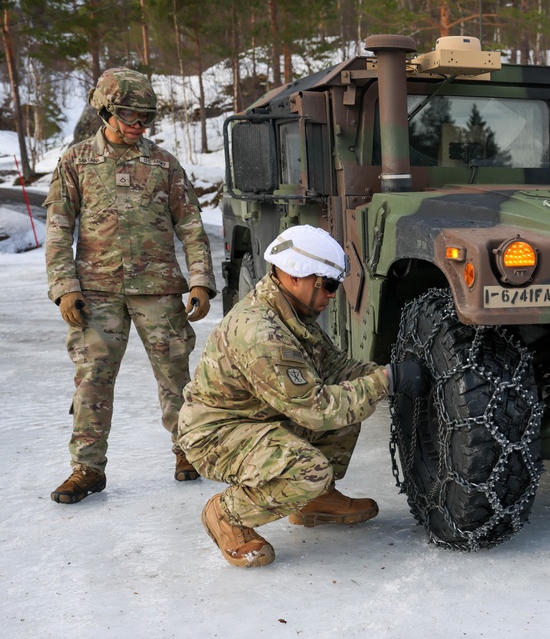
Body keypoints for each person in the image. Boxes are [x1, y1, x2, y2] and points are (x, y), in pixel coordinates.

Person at [177, 225, 430, 568]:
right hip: (218, 434)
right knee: (309, 469)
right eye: (327, 285)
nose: (332, 295)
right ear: (295, 276)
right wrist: (385, 382)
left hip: (260, 417)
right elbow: (317, 410)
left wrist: (385, 373)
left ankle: (314, 503)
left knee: (352, 402)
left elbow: (336, 368)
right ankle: (225, 514)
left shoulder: (292, 313)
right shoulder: (261, 334)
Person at [45, 67, 216, 504]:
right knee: (92, 379)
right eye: (128, 115)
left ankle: (189, 452)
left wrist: (200, 281)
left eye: (145, 117)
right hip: (96, 290)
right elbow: (59, 228)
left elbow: (192, 227)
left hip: (158, 288)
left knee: (177, 374)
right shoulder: (77, 161)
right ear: (104, 110)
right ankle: (87, 468)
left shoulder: (163, 164)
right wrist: (65, 286)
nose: (138, 125)